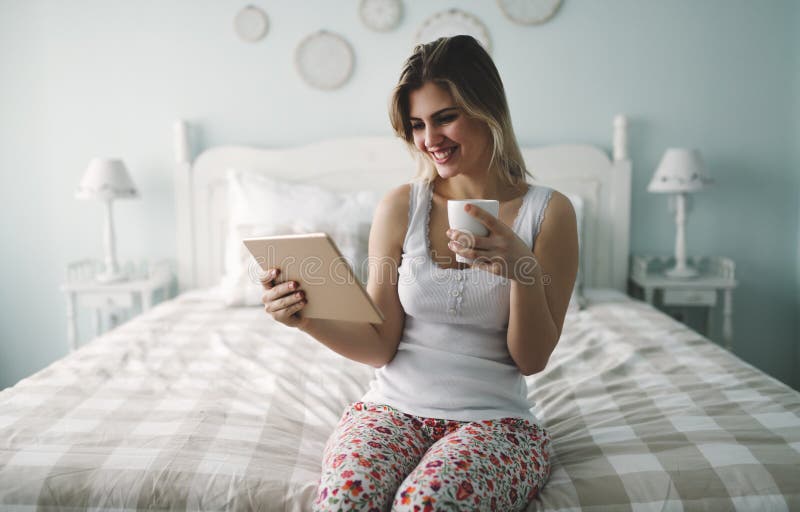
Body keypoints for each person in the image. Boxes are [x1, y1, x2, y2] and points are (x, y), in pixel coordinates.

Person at [260, 35, 578, 512]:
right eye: (417, 125)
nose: (430, 140)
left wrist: (522, 270)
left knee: (425, 503)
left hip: (495, 423)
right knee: (348, 500)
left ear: (486, 108)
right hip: (390, 411)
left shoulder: (549, 213)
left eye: (445, 117)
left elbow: (531, 360)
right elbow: (379, 344)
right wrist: (305, 318)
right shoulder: (400, 207)